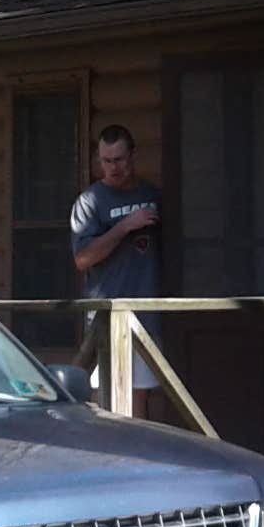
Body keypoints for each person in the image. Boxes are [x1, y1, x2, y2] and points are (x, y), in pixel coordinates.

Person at [70, 123, 163, 413]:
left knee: (139, 400)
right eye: (106, 161)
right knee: (107, 401)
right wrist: (125, 226)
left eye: (119, 159)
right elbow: (82, 258)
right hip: (106, 318)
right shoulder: (89, 202)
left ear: (132, 155)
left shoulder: (152, 194)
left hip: (147, 314)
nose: (113, 167)